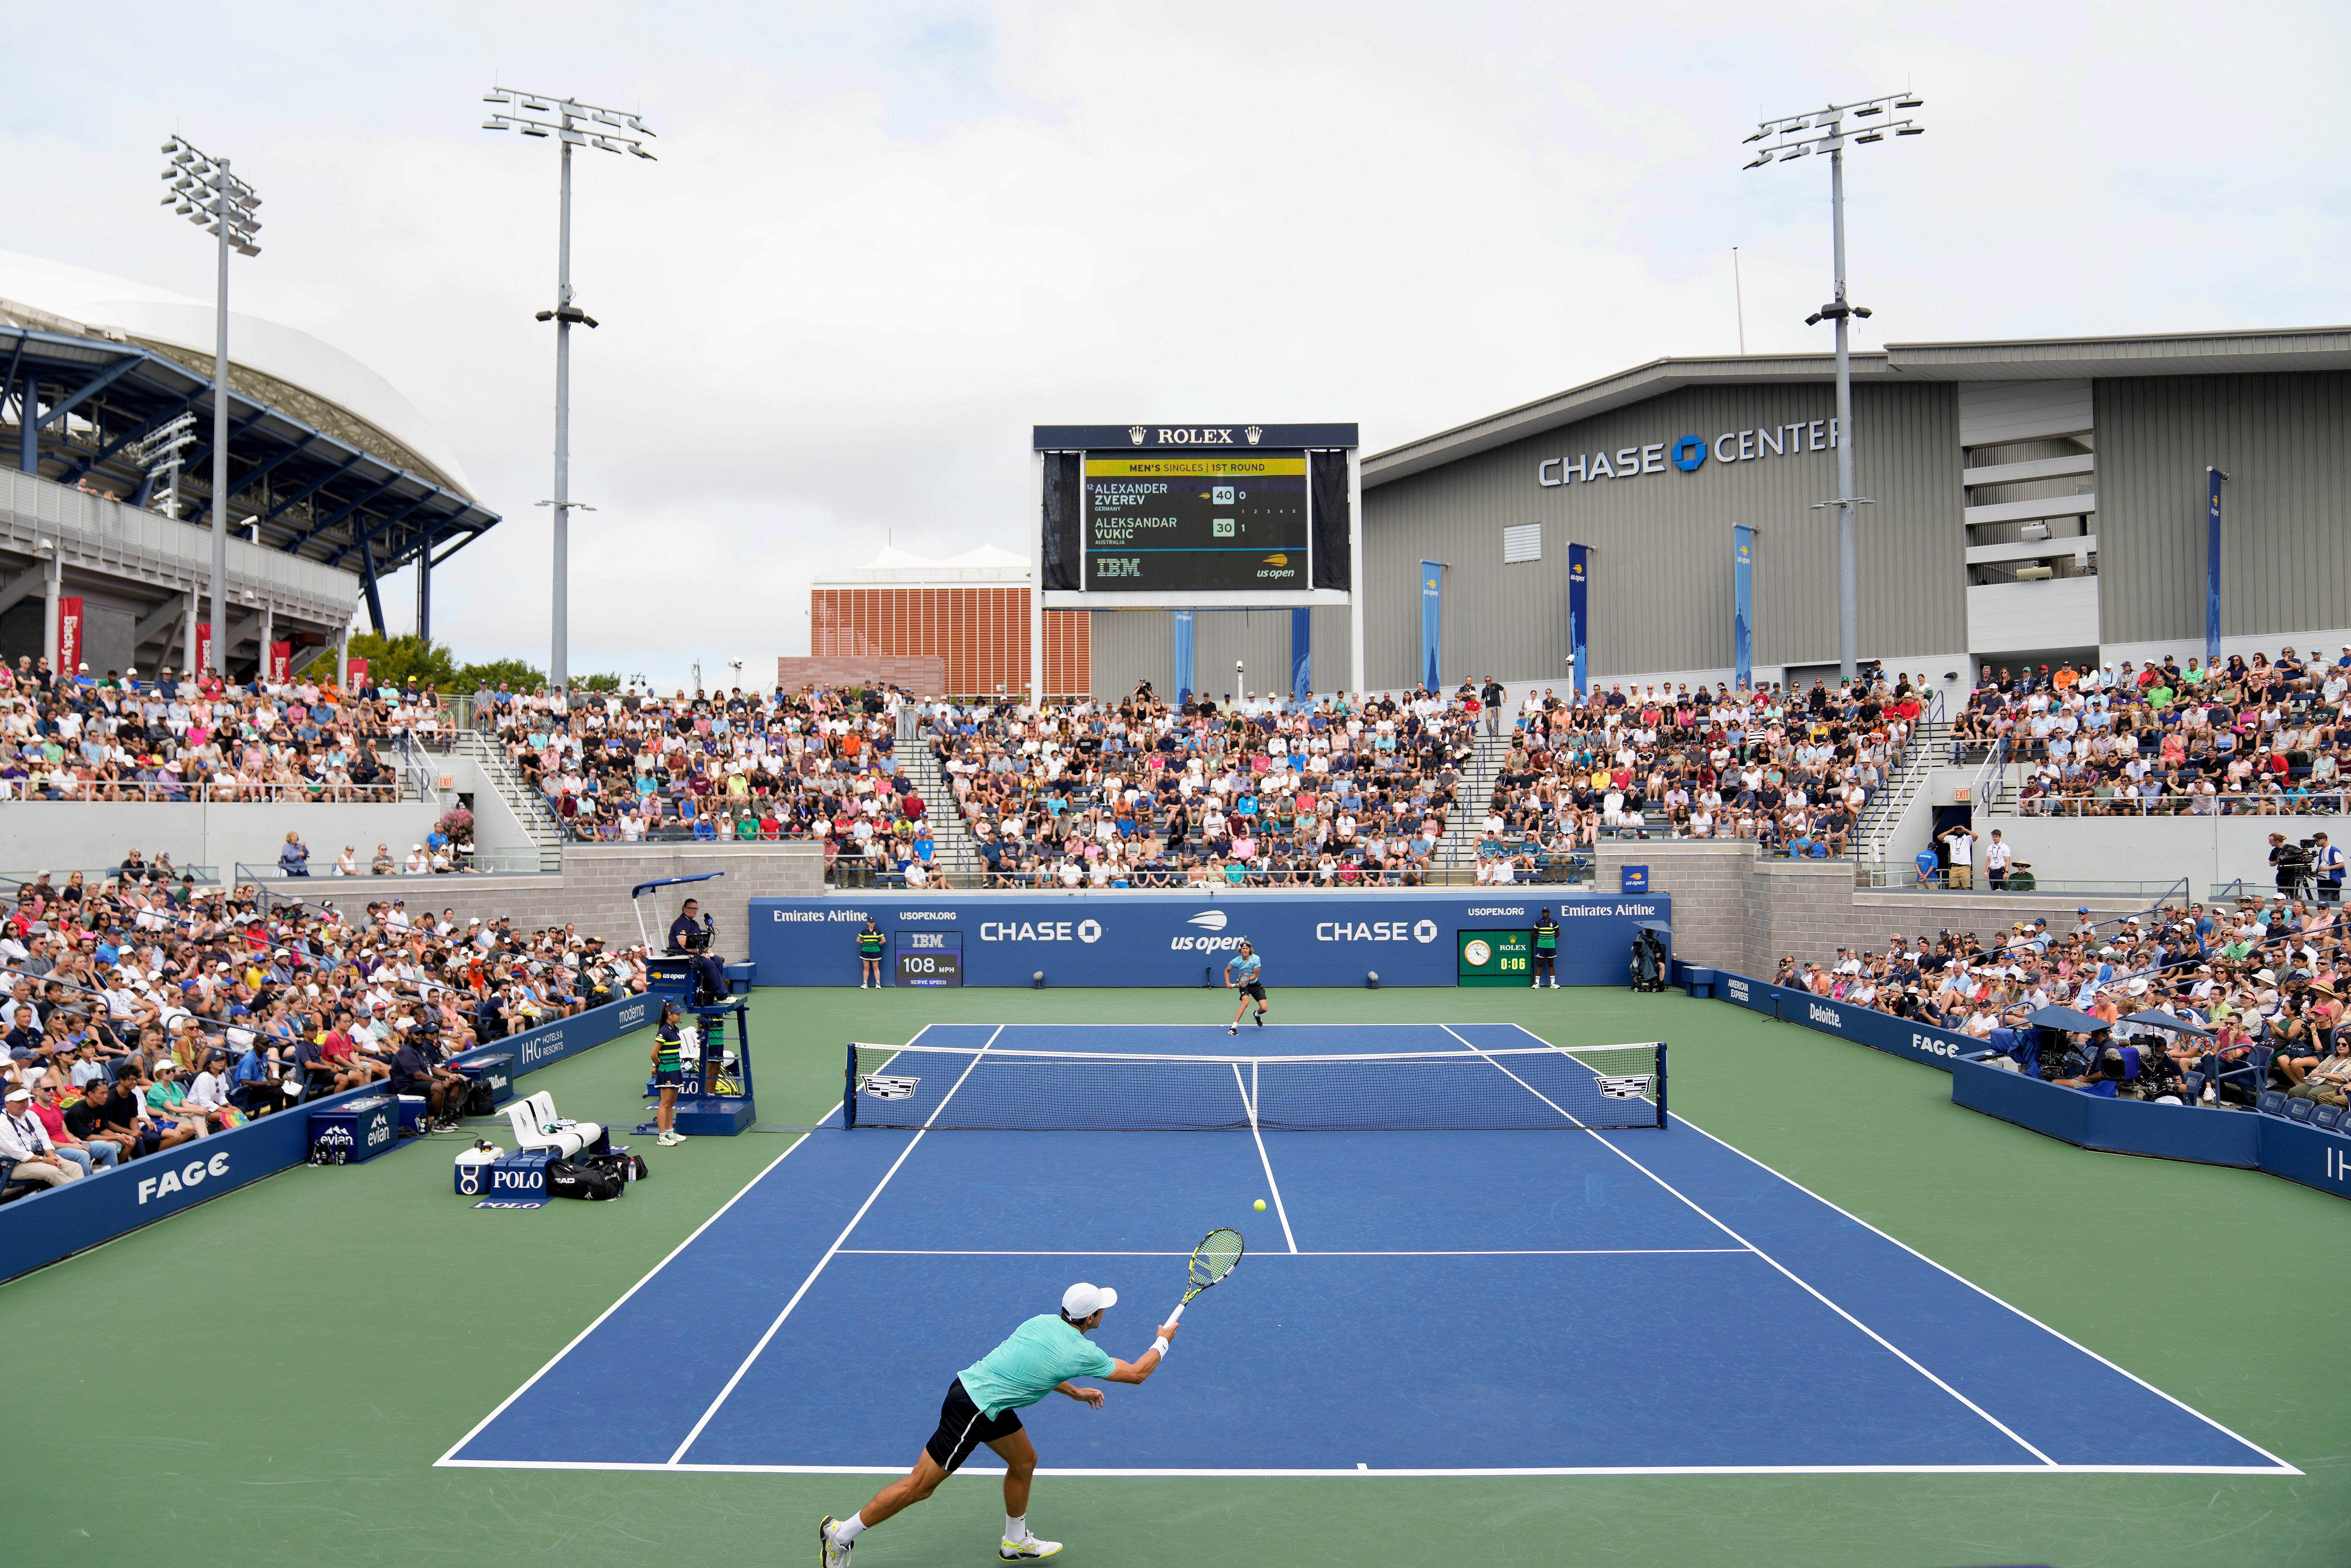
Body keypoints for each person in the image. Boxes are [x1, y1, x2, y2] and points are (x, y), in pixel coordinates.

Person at [819, 1282, 1178, 1566]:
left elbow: (1040, 1368)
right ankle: (840, 1534)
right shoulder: (1083, 1351)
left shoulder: (1043, 1323)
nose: (1104, 1312)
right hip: (975, 1409)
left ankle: (1015, 1542)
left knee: (1024, 1461)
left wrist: (1073, 1393)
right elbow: (1136, 1373)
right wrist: (1163, 1340)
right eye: (1102, 1309)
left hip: (984, 1397)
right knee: (920, 1487)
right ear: (1093, 1317)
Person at [0, 1084, 83, 1187]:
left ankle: (78, 1196)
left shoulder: (31, 1115)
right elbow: (17, 1153)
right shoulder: (2, 1124)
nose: (25, 1104)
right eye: (20, 1102)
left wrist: (52, 1157)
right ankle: (78, 1198)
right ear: (8, 1104)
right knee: (52, 1171)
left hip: (42, 1156)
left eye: (26, 1101)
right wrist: (45, 1160)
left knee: (75, 1167)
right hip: (16, 1165)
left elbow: (45, 1139)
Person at [666, 897, 726, 1004]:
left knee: (717, 961)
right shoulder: (681, 923)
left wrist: (706, 950)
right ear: (684, 908)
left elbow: (699, 942)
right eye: (691, 908)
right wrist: (700, 953)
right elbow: (684, 944)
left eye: (696, 909)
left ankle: (711, 994)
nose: (694, 911)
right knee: (709, 964)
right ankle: (723, 996)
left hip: (693, 953)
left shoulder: (694, 923)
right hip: (681, 954)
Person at [649, 1000, 687, 1147]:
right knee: (664, 1104)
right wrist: (658, 1066)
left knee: (671, 1103)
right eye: (678, 1014)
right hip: (667, 1072)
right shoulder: (663, 1032)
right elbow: (654, 1054)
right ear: (669, 1015)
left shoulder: (675, 1030)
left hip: (676, 1069)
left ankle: (671, 1131)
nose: (680, 1017)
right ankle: (662, 1136)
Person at [1225, 939, 1268, 1034]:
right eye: (1243, 948)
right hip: (1245, 986)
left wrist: (1243, 980)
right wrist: (1228, 983)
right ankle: (1233, 1028)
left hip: (1255, 985)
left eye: (1247, 949)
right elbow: (1227, 971)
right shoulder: (1236, 961)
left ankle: (1256, 1015)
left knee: (1264, 1008)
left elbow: (1255, 976)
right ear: (1241, 950)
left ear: (1250, 950)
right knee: (1245, 1003)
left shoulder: (1256, 959)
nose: (1245, 950)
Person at [1938, 822, 1978, 890]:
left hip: (1965, 867)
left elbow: (1976, 836)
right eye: (1957, 830)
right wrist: (1951, 830)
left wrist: (1966, 830)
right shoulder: (1952, 838)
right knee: (1954, 887)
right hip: (1954, 867)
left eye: (1960, 829)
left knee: (1967, 887)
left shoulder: (1968, 838)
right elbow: (1940, 838)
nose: (1959, 831)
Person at [1531, 908, 1560, 989]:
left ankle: (1553, 983)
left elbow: (1558, 933)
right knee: (1540, 963)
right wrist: (1541, 939)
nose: (1545, 913)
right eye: (1544, 912)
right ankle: (1537, 983)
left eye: (1546, 912)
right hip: (1541, 946)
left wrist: (1551, 939)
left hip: (1551, 947)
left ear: (1549, 913)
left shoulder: (1554, 922)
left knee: (1551, 964)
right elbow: (1534, 933)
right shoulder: (1539, 923)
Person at [858, 916, 886, 990]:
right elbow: (858, 940)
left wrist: (877, 945)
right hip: (866, 951)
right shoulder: (864, 931)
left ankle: (878, 984)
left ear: (874, 923)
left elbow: (884, 940)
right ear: (867, 923)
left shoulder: (878, 931)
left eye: (873, 922)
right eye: (870, 922)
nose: (872, 923)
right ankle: (865, 983)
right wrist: (864, 944)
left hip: (875, 951)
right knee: (866, 967)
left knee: (876, 967)